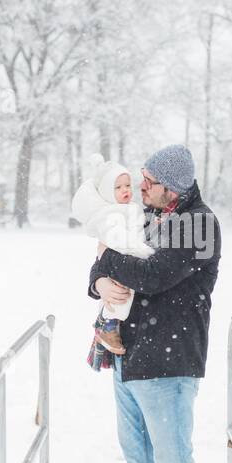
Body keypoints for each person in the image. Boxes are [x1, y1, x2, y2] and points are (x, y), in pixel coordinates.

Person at [87, 144, 221, 463]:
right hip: (129, 355)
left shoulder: (198, 224)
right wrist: (99, 280)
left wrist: (105, 262)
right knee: (139, 460)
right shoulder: (145, 217)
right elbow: (108, 263)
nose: (140, 186)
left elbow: (153, 275)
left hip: (170, 361)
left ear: (174, 187)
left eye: (149, 181)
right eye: (140, 178)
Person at [70, 154, 153, 366]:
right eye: (118, 188)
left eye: (127, 185)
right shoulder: (112, 215)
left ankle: (108, 324)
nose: (126, 190)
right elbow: (118, 242)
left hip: (128, 263)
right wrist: (144, 253)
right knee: (119, 295)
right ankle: (108, 325)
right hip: (127, 261)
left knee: (122, 292)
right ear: (107, 192)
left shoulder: (134, 210)